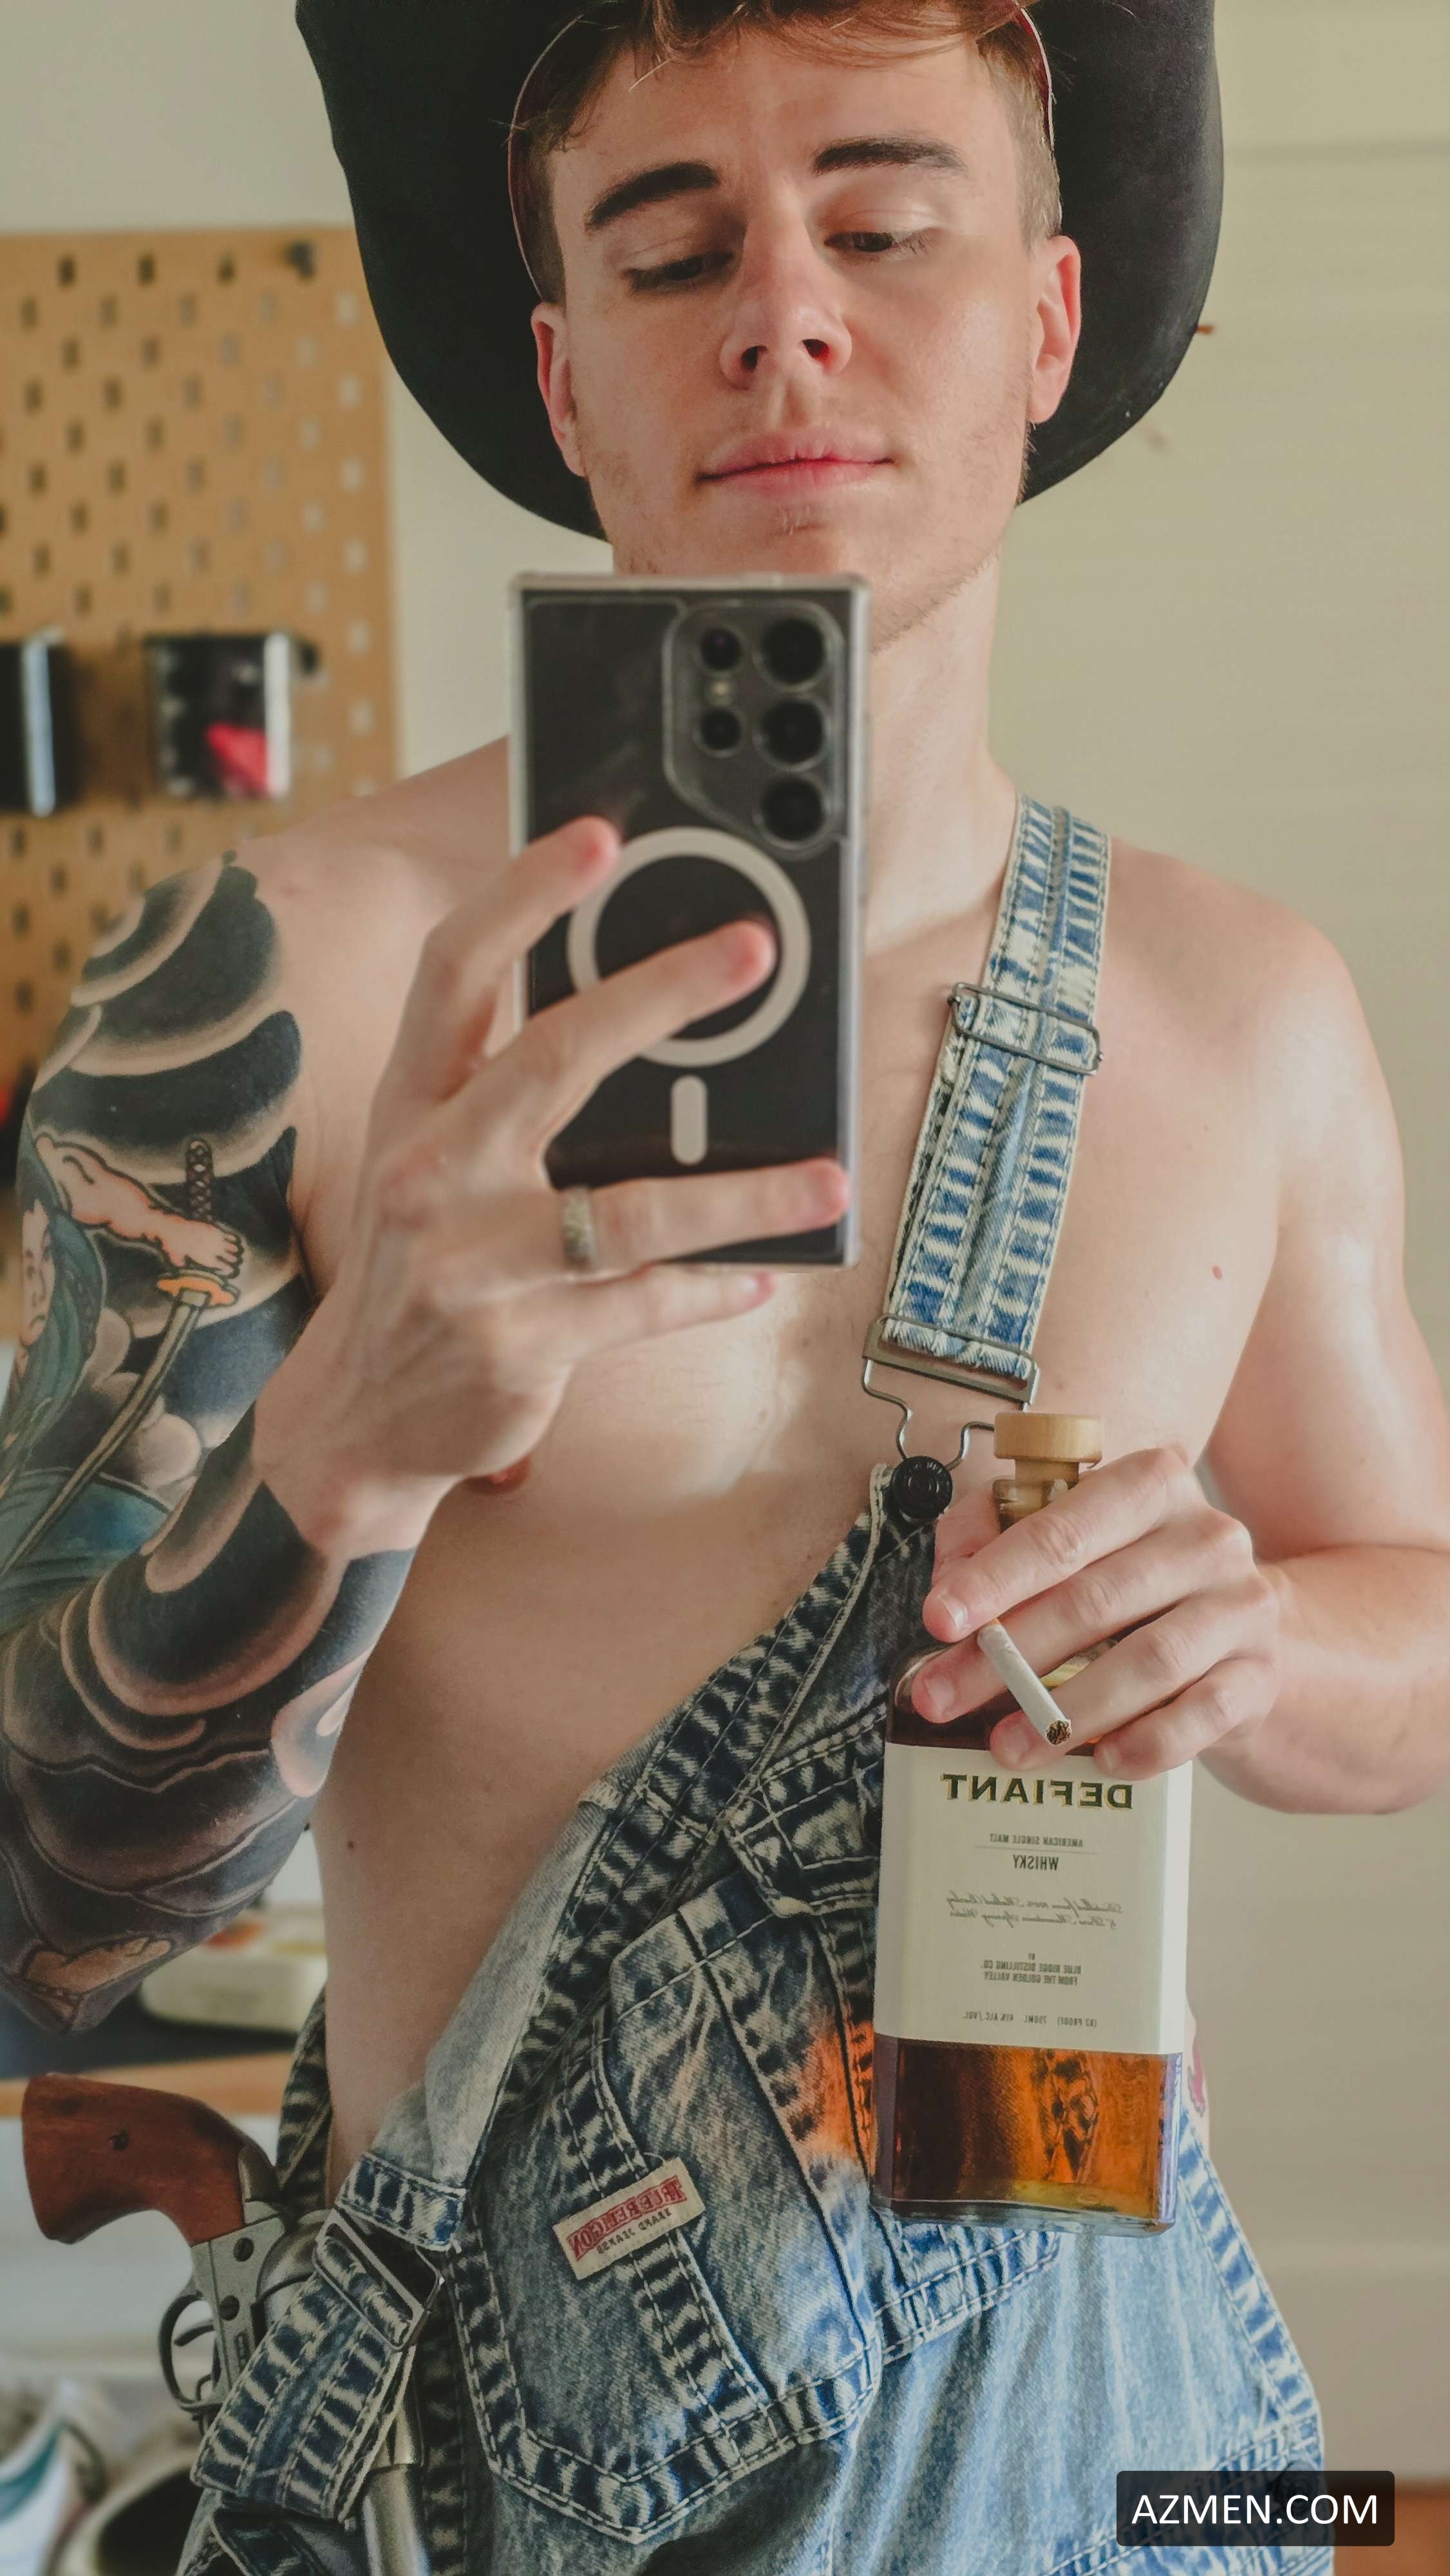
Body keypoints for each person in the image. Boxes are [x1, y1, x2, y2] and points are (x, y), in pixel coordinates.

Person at [3, 1, 1448, 2567]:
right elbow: (32, 1932)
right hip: (489, 2465)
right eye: (672, 257)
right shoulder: (277, 984)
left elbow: (1411, 1635)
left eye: (881, 227)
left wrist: (1250, 1644)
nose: (781, 312)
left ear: (1042, 320)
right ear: (564, 374)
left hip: (1101, 2409)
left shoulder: (1238, 1019)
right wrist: (339, 1448)